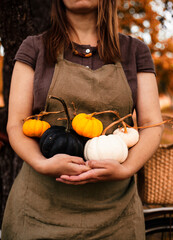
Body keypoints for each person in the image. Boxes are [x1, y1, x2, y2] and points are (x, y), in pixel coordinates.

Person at [2, 0, 163, 239]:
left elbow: (152, 124)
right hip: (37, 214)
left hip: (116, 218)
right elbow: (16, 123)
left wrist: (126, 169)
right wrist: (41, 164)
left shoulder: (134, 51)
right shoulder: (34, 47)